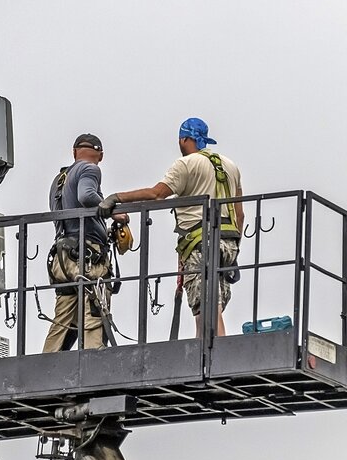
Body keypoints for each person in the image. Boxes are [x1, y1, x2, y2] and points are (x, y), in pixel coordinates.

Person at [98, 118, 244, 337]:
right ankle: (202, 353)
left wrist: (116, 197)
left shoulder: (186, 164)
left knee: (207, 308)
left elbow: (157, 194)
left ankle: (219, 354)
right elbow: (239, 214)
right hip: (229, 244)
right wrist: (235, 249)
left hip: (200, 244)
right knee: (208, 307)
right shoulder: (230, 166)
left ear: (184, 139)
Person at [43, 133, 126, 353]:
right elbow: (87, 196)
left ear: (74, 152)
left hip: (62, 258)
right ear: (101, 155)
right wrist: (114, 212)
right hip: (86, 257)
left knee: (63, 319)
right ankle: (93, 362)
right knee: (94, 312)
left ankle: (47, 364)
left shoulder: (60, 179)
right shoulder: (91, 169)